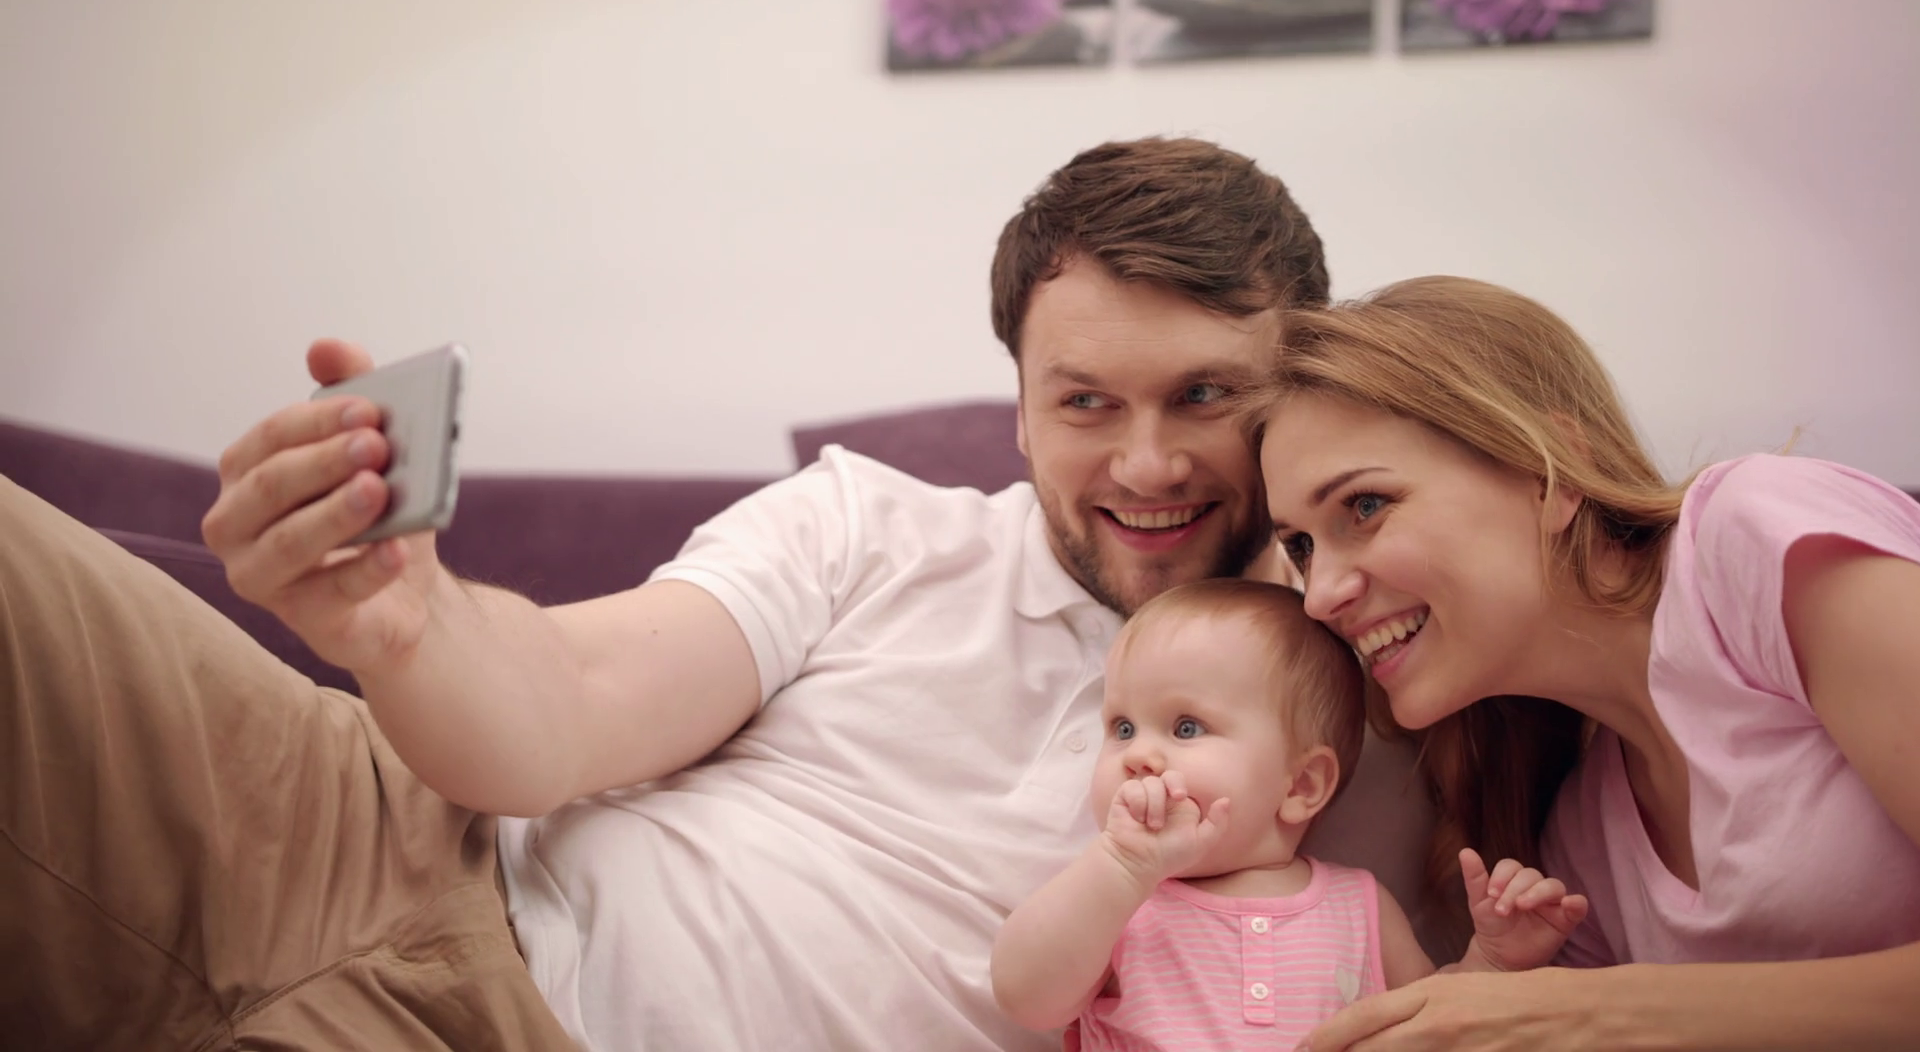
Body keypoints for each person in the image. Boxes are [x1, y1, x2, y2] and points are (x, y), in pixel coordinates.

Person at [0, 137, 1356, 1051]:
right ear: (1016, 411)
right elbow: (566, 713)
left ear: (1290, 392)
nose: (1144, 461)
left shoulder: (1346, 693)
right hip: (360, 818)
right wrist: (406, 626)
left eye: (1204, 396)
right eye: (1084, 403)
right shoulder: (870, 525)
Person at [1255, 275, 1920, 1051]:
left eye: (1364, 507)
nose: (1320, 595)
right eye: (1300, 548)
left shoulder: (1751, 537)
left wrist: (1589, 1010)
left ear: (1555, 472)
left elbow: (1601, 1023)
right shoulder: (1581, 840)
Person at [990, 578, 1586, 1050]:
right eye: (1121, 727)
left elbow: (1431, 1028)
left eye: (1186, 727)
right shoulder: (1120, 905)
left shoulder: (1359, 906)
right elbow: (1027, 997)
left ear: (1301, 785)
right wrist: (1120, 867)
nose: (1139, 755)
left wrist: (1493, 961)